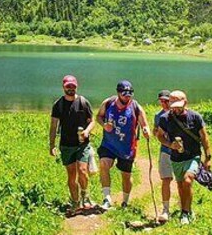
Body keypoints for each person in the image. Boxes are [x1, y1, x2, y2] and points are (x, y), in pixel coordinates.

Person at [155, 90, 212, 225]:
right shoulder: (165, 118)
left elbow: (204, 138)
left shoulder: (195, 117)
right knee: (181, 186)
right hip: (176, 158)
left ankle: (185, 213)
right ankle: (186, 209)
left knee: (187, 181)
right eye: (173, 105)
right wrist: (170, 145)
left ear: (185, 103)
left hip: (193, 156)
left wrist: (208, 158)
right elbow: (159, 136)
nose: (175, 108)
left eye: (178, 105)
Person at [96, 80, 150, 209]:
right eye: (125, 93)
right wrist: (104, 125)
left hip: (127, 147)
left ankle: (125, 201)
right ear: (118, 93)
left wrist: (146, 130)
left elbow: (145, 124)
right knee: (104, 164)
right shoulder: (108, 103)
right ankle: (107, 198)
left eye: (130, 93)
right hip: (109, 143)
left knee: (126, 175)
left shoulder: (136, 107)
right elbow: (98, 116)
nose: (128, 96)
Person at [49, 75, 95, 215]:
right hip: (66, 145)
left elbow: (92, 121)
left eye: (73, 86)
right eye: (68, 86)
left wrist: (87, 131)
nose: (71, 89)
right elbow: (53, 126)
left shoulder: (83, 102)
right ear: (63, 87)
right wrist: (52, 145)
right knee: (71, 175)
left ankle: (85, 196)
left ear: (77, 86)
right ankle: (75, 202)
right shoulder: (58, 105)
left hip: (82, 144)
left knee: (82, 171)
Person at [153, 90, 173, 221]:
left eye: (166, 101)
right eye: (162, 101)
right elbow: (156, 131)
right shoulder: (158, 116)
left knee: (184, 180)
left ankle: (185, 207)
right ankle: (165, 209)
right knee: (166, 179)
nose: (164, 103)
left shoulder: (178, 112)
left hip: (180, 152)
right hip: (166, 150)